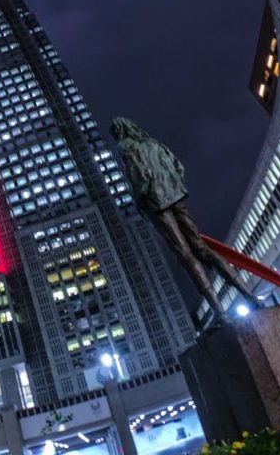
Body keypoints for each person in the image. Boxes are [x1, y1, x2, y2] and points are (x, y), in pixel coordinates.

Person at [110, 117, 256, 323]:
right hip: (176, 197)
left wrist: (141, 202)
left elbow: (140, 178)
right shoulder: (154, 144)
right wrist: (173, 187)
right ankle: (248, 294)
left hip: (157, 205)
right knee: (202, 248)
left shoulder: (126, 147)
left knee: (187, 256)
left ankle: (220, 313)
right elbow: (179, 167)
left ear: (119, 132)